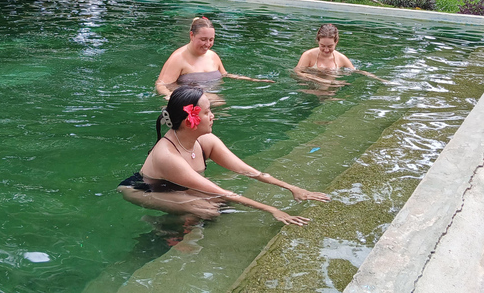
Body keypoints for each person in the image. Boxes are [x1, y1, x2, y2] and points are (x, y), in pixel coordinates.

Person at [118, 86, 330, 224]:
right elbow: (223, 192)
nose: (213, 116)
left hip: (177, 185)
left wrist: (292, 188)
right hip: (142, 189)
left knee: (219, 204)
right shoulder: (167, 155)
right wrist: (272, 210)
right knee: (207, 210)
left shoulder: (205, 141)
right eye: (207, 112)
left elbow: (247, 171)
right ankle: (162, 229)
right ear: (188, 120)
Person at [155, 17, 273, 99]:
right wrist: (172, 98)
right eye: (203, 39)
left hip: (211, 101)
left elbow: (225, 75)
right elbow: (161, 85)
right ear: (192, 35)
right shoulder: (178, 58)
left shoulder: (213, 56)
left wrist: (253, 80)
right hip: (190, 104)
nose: (207, 44)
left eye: (211, 40)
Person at [295, 23, 386, 85]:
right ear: (318, 41)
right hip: (309, 89)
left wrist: (380, 80)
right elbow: (296, 73)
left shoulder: (341, 58)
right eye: (322, 46)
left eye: (330, 46)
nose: (326, 50)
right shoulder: (308, 55)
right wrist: (318, 79)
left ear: (336, 42)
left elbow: (356, 71)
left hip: (331, 90)